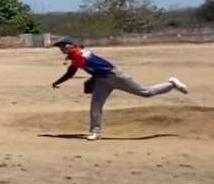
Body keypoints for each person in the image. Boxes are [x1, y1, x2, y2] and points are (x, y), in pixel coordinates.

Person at [50, 36, 188, 140]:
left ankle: (172, 84)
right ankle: (95, 132)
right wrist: (58, 82)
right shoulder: (75, 56)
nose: (60, 49)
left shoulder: (82, 55)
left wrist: (88, 82)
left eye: (61, 46)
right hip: (102, 81)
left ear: (70, 45)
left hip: (115, 76)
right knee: (96, 106)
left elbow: (80, 71)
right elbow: (74, 71)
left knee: (145, 92)